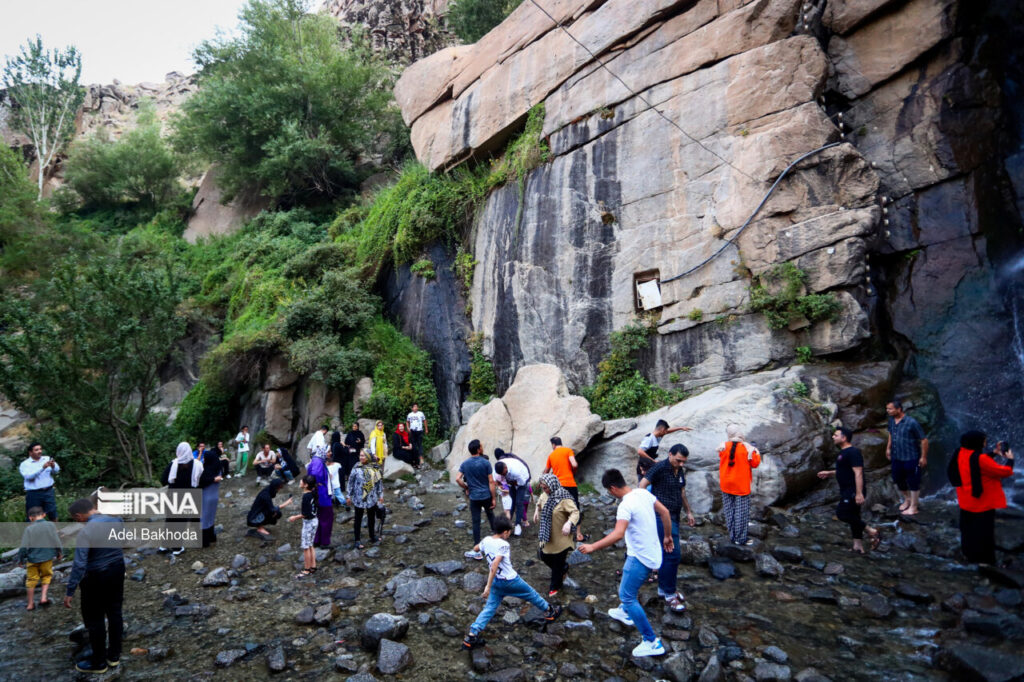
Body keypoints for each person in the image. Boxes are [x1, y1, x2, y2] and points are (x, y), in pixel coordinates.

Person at [579, 468, 673, 658]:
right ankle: (625, 611)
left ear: (612, 488)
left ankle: (651, 641)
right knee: (629, 585)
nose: (609, 493)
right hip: (653, 552)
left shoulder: (625, 505)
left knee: (627, 595)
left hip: (641, 557)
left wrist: (593, 547)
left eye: (608, 491)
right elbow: (665, 512)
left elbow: (618, 534)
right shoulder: (643, 492)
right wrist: (668, 536)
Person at [462, 516, 562, 650]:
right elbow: (495, 564)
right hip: (510, 580)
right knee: (531, 594)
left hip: (497, 582)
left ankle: (472, 635)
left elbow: (475, 549)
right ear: (505, 532)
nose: (509, 534)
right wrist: (487, 586)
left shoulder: (486, 540)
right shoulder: (504, 545)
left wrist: (481, 549)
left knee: (490, 608)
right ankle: (550, 611)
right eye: (509, 532)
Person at [63, 497, 125, 674]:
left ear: (79, 515)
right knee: (115, 612)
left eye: (76, 520)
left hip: (96, 576)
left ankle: (98, 662)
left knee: (94, 618)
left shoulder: (86, 531)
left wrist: (70, 591)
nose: (78, 523)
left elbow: (80, 564)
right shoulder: (117, 520)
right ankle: (114, 656)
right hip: (117, 568)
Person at [638, 443, 695, 611]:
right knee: (673, 554)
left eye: (683, 461)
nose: (681, 464)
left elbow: (682, 492)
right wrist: (648, 508)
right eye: (678, 460)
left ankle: (664, 589)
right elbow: (641, 486)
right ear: (670, 454)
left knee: (667, 554)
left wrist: (689, 512)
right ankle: (670, 595)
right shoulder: (659, 468)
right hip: (660, 517)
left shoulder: (680, 470)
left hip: (675, 516)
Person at [948, 430, 1015, 564]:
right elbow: (1004, 472)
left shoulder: (960, 452)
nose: (985, 443)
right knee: (984, 533)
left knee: (968, 530)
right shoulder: (981, 459)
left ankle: (968, 555)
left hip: (966, 500)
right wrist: (1010, 460)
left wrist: (993, 454)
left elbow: (975, 463)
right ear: (977, 442)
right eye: (984, 440)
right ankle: (986, 561)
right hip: (982, 502)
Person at [817, 427, 880, 554]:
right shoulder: (842, 452)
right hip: (847, 489)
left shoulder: (853, 452)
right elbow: (845, 471)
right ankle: (858, 546)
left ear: (844, 438)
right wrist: (829, 473)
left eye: (836, 435)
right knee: (854, 516)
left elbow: (858, 473)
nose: (833, 437)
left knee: (842, 514)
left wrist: (858, 493)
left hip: (852, 490)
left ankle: (871, 531)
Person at [535, 473, 580, 597]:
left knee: (557, 562)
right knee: (543, 555)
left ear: (552, 485)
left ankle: (555, 587)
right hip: (548, 534)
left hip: (562, 537)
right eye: (542, 488)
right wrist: (536, 511)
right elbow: (539, 501)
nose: (544, 490)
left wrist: (569, 523)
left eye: (545, 488)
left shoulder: (564, 497)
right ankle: (563, 568)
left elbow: (575, 512)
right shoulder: (545, 494)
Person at [717, 424, 761, 546]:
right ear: (740, 433)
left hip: (726, 484)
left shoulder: (723, 446)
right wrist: (755, 450)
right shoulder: (747, 448)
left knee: (729, 511)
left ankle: (732, 536)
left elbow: (723, 455)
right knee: (741, 513)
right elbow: (755, 463)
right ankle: (740, 538)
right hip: (741, 486)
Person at [885, 399, 929, 515]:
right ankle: (907, 499)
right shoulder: (891, 421)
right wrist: (888, 448)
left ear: (899, 409)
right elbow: (891, 433)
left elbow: (924, 440)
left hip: (911, 457)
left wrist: (923, 457)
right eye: (887, 409)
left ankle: (914, 507)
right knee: (898, 479)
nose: (888, 411)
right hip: (896, 456)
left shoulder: (912, 422)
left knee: (913, 481)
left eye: (890, 409)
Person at [457, 439, 497, 560]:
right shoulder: (485, 463)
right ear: (479, 449)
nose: (482, 447)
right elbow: (491, 481)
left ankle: (477, 549)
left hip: (474, 497)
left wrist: (466, 487)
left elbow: (458, 478)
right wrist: (494, 498)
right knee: (491, 516)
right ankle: (498, 542)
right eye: (481, 446)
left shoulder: (465, 464)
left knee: (476, 522)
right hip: (486, 495)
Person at [160, 442, 203, 555]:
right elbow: (200, 481)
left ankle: (164, 546)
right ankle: (176, 548)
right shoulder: (197, 464)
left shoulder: (173, 464)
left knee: (170, 520)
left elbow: (163, 480)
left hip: (172, 496)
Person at [18, 505, 62, 611]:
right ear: (44, 515)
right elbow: (56, 540)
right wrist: (59, 552)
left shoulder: (29, 529)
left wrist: (21, 559)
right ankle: (43, 598)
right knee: (46, 576)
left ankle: (30, 603)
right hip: (47, 557)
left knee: (31, 580)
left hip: (32, 558)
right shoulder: (51, 525)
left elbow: (23, 546)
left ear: (30, 518)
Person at [544, 437, 585, 542]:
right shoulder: (568, 451)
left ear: (553, 445)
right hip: (570, 484)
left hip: (558, 487)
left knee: (560, 509)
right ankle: (578, 534)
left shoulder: (551, 455)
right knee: (575, 507)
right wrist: (573, 472)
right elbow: (574, 464)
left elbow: (546, 472)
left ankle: (561, 534)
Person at [347, 450, 384, 548]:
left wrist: (381, 496)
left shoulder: (375, 468)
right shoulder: (356, 467)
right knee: (358, 519)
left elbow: (379, 483)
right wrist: (348, 495)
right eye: (360, 455)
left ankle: (372, 536)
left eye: (363, 455)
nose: (361, 457)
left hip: (371, 498)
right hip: (359, 498)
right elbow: (350, 482)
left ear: (368, 456)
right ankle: (357, 540)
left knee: (371, 518)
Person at [637, 419, 692, 484]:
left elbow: (668, 431)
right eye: (665, 431)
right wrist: (652, 460)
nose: (666, 433)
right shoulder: (649, 439)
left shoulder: (657, 437)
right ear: (662, 430)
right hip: (643, 468)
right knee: (644, 486)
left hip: (649, 466)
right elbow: (640, 451)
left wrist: (680, 428)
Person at [288, 474, 320, 577]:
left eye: (301, 481)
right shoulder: (313, 493)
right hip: (315, 521)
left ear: (306, 485)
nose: (300, 482)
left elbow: (305, 514)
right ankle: (313, 566)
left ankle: (306, 569)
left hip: (308, 523)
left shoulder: (306, 496)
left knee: (306, 547)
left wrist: (294, 517)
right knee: (311, 545)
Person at [19, 442, 60, 521]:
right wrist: (42, 468)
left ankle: (55, 531)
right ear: (30, 452)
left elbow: (56, 471)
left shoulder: (47, 458)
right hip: (34, 494)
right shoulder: (25, 464)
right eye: (36, 450)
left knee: (53, 513)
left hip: (48, 491)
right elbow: (28, 477)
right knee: (34, 515)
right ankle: (33, 532)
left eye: (40, 449)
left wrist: (53, 466)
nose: (40, 451)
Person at [495, 449, 531, 536]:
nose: (503, 475)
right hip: (511, 482)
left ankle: (518, 524)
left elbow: (521, 483)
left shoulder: (517, 471)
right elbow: (497, 481)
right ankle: (508, 525)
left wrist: (511, 483)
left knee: (519, 502)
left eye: (504, 473)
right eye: (501, 475)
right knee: (512, 502)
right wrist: (500, 485)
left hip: (522, 479)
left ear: (506, 468)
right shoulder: (497, 471)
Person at [306, 442, 334, 548]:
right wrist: (318, 485)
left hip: (319, 492)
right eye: (329, 451)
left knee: (319, 517)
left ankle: (317, 540)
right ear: (323, 452)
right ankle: (324, 542)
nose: (330, 454)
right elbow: (314, 474)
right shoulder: (318, 461)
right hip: (322, 494)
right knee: (327, 517)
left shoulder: (317, 460)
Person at [198, 444, 225, 548]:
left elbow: (201, 482)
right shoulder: (218, 468)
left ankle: (205, 542)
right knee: (211, 517)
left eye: (205, 458)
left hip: (206, 496)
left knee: (204, 519)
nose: (204, 459)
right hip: (215, 496)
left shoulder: (206, 470)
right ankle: (212, 537)